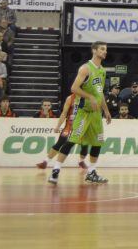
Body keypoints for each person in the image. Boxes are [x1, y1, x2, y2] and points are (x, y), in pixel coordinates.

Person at [48, 42, 111, 185]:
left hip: (95, 114)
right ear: (94, 50)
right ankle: (55, 170)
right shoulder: (85, 68)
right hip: (82, 111)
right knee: (71, 141)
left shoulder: (102, 70)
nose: (104, 52)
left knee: (97, 143)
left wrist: (106, 110)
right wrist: (89, 97)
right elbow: (74, 88)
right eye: (102, 49)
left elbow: (99, 93)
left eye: (106, 50)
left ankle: (91, 172)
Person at [36, 93, 89, 170]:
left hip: (82, 125)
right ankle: (45, 162)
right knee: (60, 142)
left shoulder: (87, 98)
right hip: (69, 125)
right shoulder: (70, 98)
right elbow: (64, 113)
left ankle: (81, 161)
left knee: (85, 145)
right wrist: (58, 126)